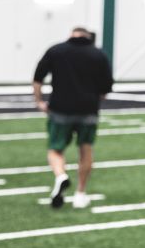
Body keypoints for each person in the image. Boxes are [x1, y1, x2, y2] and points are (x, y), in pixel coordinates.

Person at [32, 26, 113, 210]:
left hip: (60, 109)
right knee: (85, 150)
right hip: (88, 109)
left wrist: (39, 101)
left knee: (55, 149)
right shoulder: (98, 54)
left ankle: (61, 175)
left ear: (71, 35)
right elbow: (106, 88)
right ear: (88, 37)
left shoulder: (56, 50)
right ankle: (80, 194)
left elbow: (38, 78)